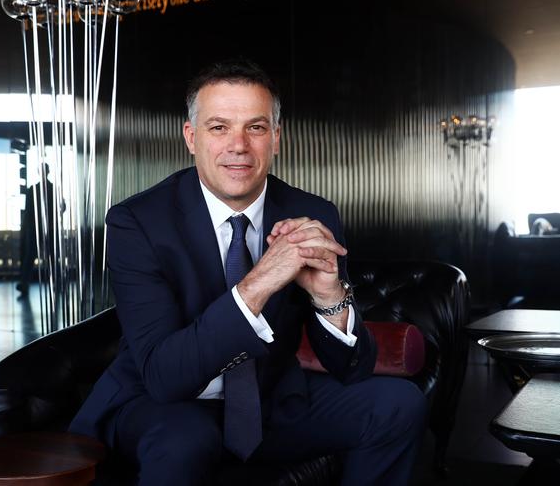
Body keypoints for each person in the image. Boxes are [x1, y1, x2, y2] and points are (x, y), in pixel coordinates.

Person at [70, 59, 426, 485]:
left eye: (255, 128)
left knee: (398, 403)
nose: (238, 145)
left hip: (270, 397)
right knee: (186, 441)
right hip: (160, 402)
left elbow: (352, 368)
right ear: (191, 137)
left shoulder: (311, 213)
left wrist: (329, 297)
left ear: (276, 138)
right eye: (219, 127)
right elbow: (164, 378)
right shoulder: (137, 222)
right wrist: (261, 281)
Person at [16, 163, 55, 297]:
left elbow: (28, 212)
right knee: (49, 257)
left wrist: (26, 228)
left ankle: (25, 283)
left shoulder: (35, 189)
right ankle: (54, 283)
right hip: (42, 228)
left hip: (36, 228)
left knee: (33, 256)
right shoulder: (52, 189)